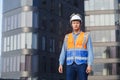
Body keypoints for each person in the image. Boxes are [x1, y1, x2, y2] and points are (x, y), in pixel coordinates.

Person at [58, 13, 94, 80]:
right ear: (71, 24)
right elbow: (63, 51)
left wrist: (89, 64)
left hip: (82, 65)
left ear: (80, 24)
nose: (75, 24)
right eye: (74, 23)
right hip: (70, 65)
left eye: (77, 23)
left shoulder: (86, 36)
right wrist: (61, 63)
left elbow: (90, 52)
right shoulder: (67, 37)